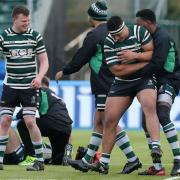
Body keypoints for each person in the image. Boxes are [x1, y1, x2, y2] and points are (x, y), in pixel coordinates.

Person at [55, 0, 141, 174]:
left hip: (104, 83)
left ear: (91, 16)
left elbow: (81, 57)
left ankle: (131, 159)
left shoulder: (95, 35)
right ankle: (88, 160)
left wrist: (65, 70)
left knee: (108, 122)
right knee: (100, 122)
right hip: (116, 81)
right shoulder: (112, 32)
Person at [91, 15, 162, 175]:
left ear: (125, 27)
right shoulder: (109, 41)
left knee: (149, 106)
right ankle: (104, 163)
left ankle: (156, 146)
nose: (116, 38)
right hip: (122, 81)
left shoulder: (139, 32)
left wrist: (135, 56)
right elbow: (116, 70)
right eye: (113, 35)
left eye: (118, 34)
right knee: (110, 120)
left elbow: (152, 53)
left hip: (144, 78)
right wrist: (142, 63)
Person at [0, 5, 49, 171]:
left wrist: (39, 77)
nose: (27, 23)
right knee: (5, 120)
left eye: (28, 20)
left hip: (29, 87)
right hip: (10, 86)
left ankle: (40, 161)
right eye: (23, 21)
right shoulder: (4, 36)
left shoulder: (34, 36)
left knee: (30, 122)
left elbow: (44, 61)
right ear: (14, 19)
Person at [134, 9, 180, 176]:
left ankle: (178, 161)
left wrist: (131, 71)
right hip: (156, 81)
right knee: (145, 120)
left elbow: (157, 64)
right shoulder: (148, 37)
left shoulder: (162, 37)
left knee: (162, 114)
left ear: (148, 23)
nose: (137, 27)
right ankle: (158, 167)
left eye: (139, 24)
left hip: (169, 80)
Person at [17, 76, 73, 165]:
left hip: (53, 123)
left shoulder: (40, 91)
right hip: (66, 129)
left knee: (22, 124)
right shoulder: (55, 95)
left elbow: (24, 111)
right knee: (57, 161)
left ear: (39, 83)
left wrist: (11, 117)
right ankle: (64, 156)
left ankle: (31, 157)